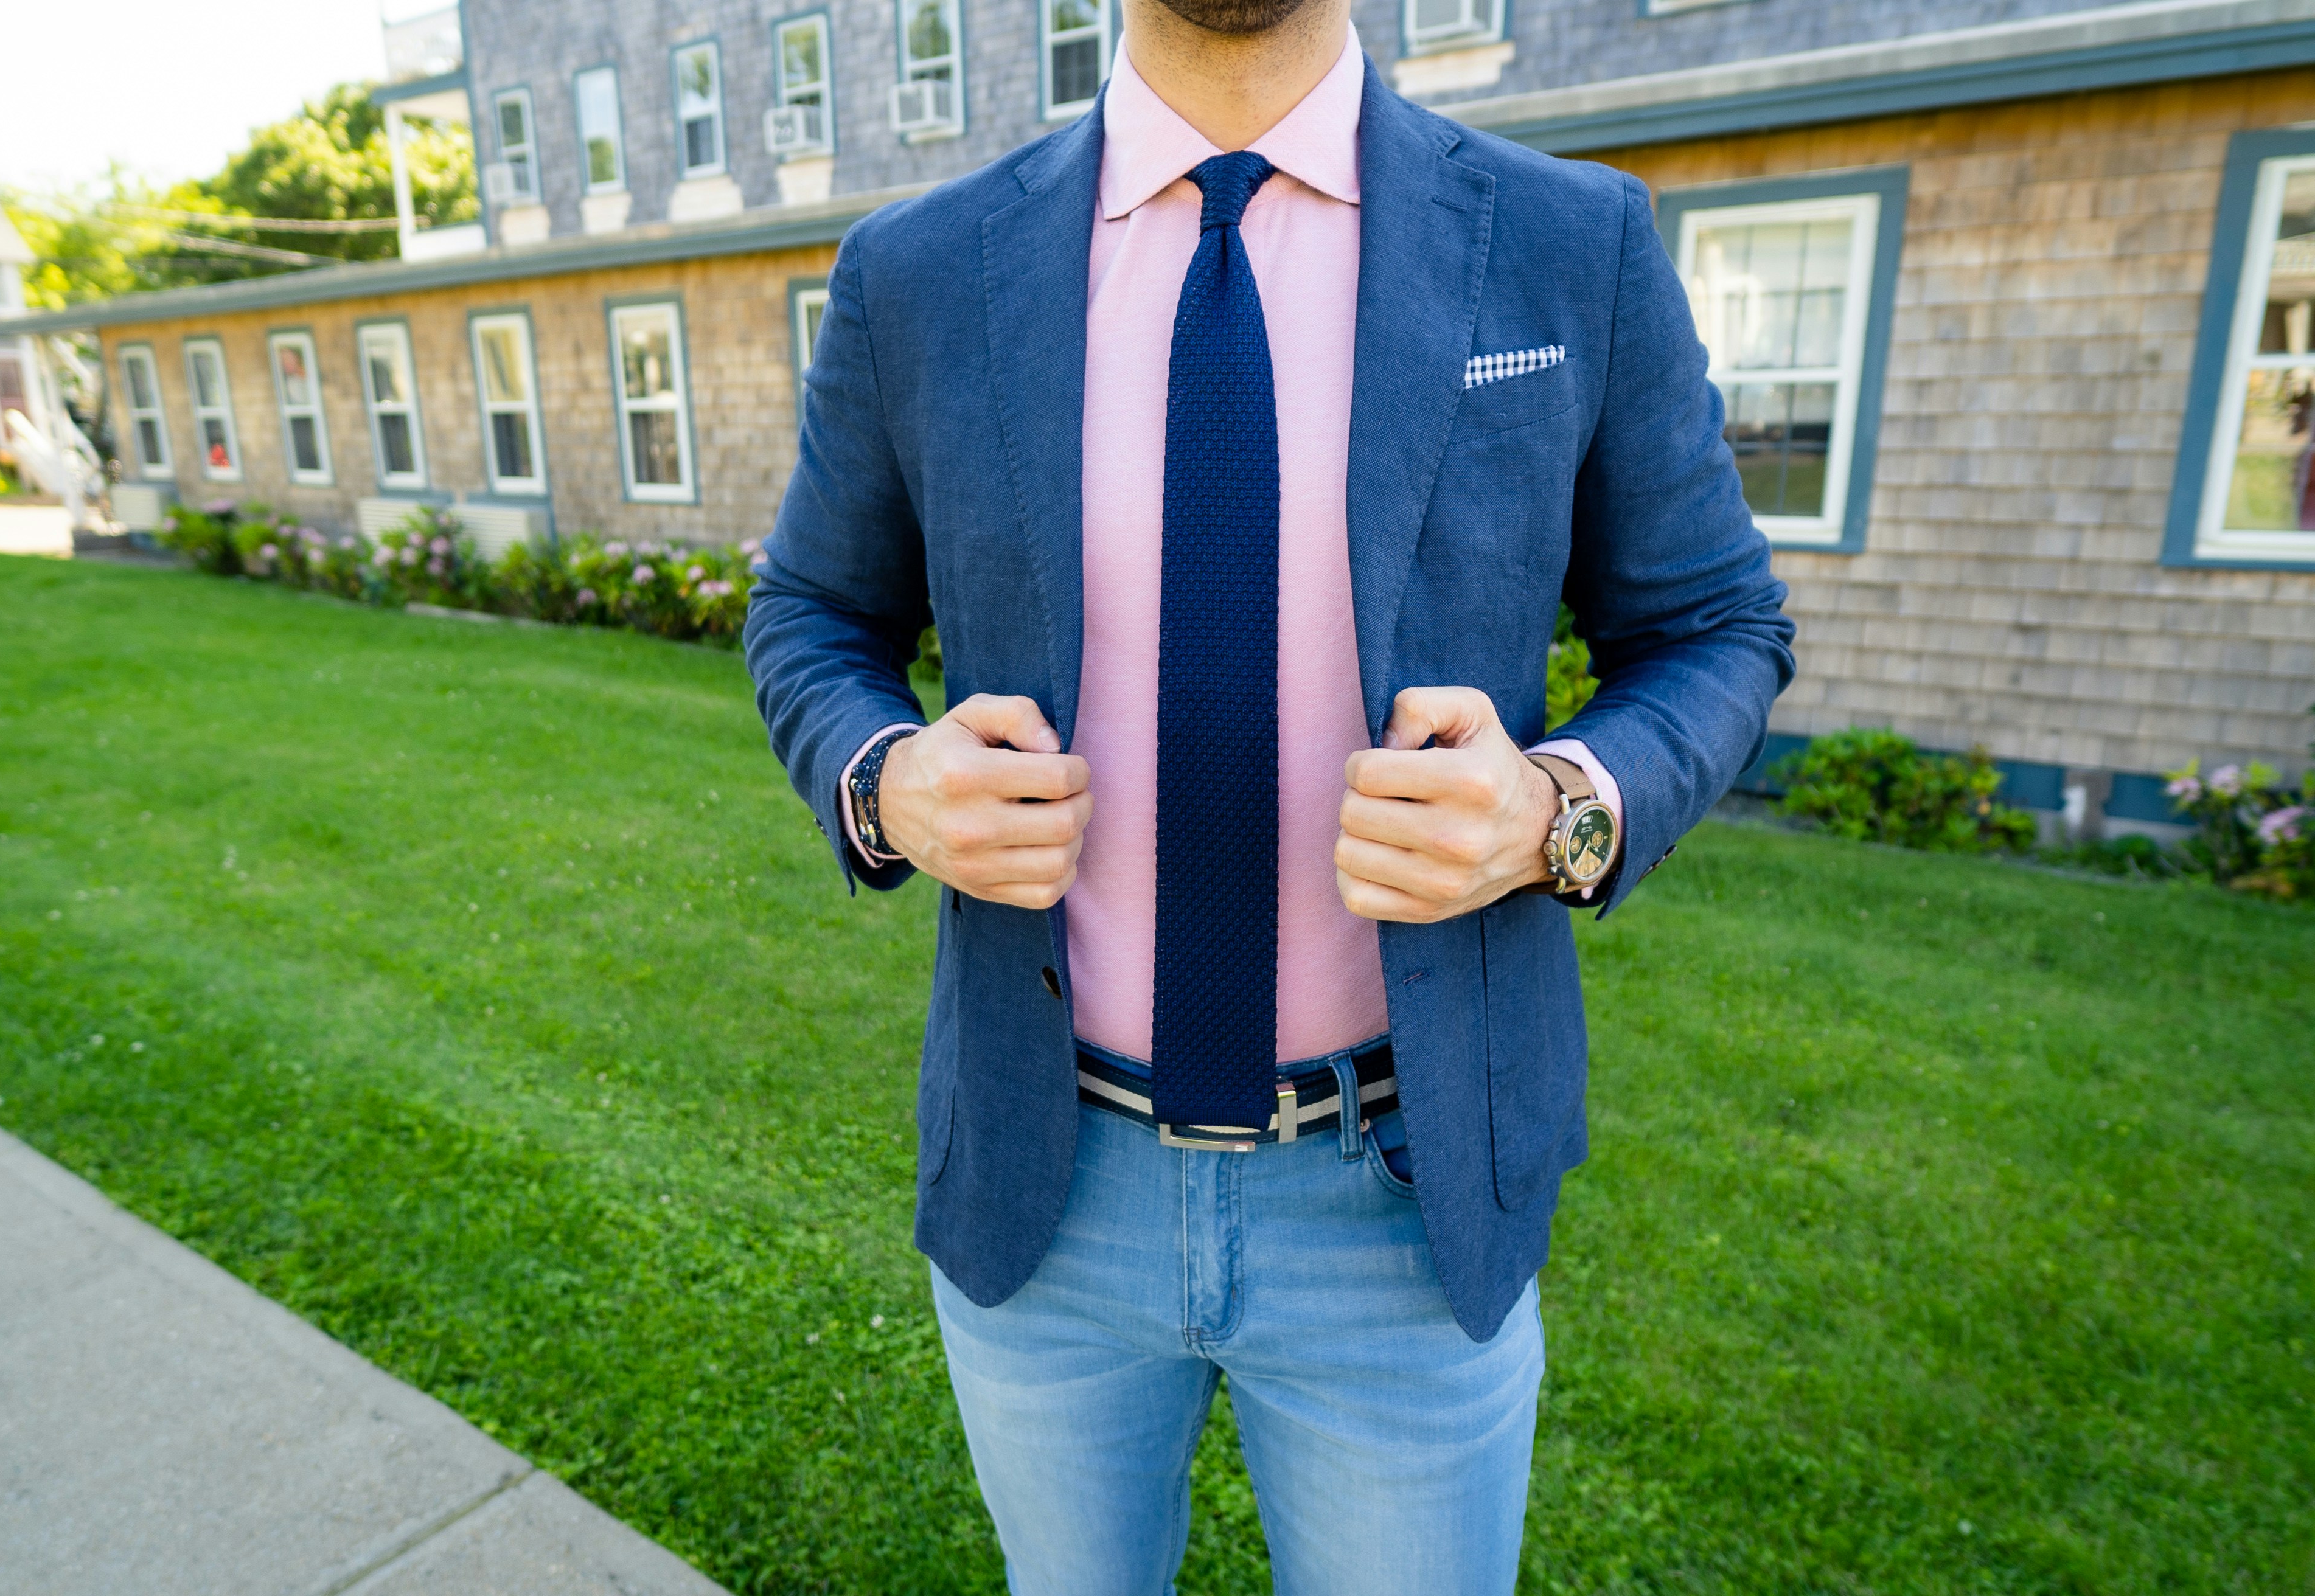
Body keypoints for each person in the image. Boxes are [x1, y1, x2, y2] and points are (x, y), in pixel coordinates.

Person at [744, 0, 1794, 1584]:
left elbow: (1719, 626)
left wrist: (1557, 810)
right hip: (1048, 1182)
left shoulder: (1571, 241)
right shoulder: (920, 270)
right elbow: (813, 611)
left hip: (1407, 1200)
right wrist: (883, 781)